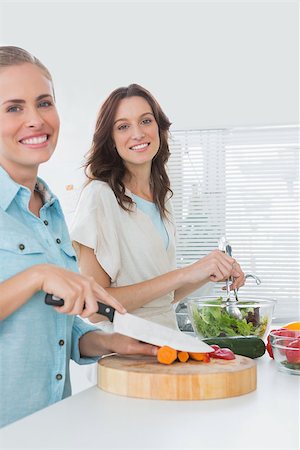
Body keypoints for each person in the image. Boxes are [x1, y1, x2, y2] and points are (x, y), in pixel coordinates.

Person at [0, 47, 157, 429]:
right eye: (14, 108)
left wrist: (108, 343)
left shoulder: (51, 208)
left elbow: (56, 329)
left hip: (53, 424)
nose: (36, 120)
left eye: (44, 102)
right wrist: (36, 276)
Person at [70, 83, 245, 332]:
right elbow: (96, 307)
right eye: (123, 126)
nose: (138, 134)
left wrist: (209, 271)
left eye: (146, 121)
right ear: (110, 140)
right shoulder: (100, 196)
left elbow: (162, 298)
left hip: (164, 342)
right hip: (121, 351)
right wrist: (187, 272)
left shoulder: (161, 197)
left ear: (159, 128)